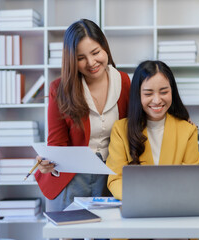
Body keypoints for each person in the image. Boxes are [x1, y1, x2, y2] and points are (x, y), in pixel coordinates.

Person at [35, 19, 130, 212]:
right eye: (80, 58)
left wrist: (180, 121)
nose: (91, 63)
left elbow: (141, 122)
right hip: (73, 176)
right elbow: (57, 143)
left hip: (114, 175)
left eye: (95, 53)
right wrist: (48, 162)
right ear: (71, 59)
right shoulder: (59, 89)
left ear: (105, 48)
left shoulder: (125, 81)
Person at [106, 60, 199, 200]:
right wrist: (142, 197)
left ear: (172, 92)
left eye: (164, 92)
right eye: (148, 93)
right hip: (137, 205)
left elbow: (191, 180)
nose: (157, 100)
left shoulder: (188, 131)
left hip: (174, 205)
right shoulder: (121, 130)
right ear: (138, 95)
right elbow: (115, 179)